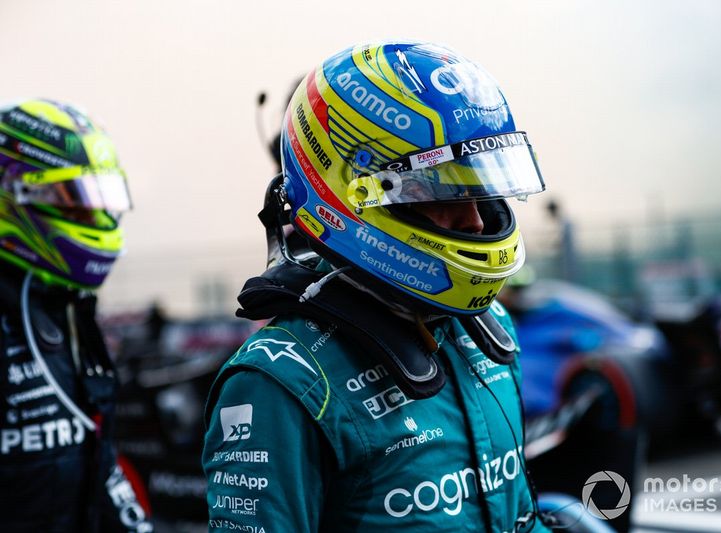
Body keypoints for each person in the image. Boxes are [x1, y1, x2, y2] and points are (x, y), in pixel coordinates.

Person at [203, 41, 553, 532]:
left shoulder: (488, 329)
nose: (475, 221)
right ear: (357, 196)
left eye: (483, 190)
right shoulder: (280, 383)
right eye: (445, 190)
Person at [0, 99, 152, 532]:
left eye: (100, 199)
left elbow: (96, 457)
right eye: (73, 198)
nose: (95, 217)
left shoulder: (68, 308)